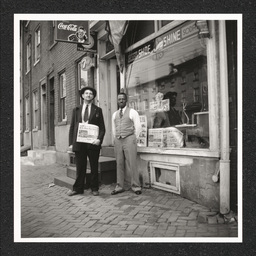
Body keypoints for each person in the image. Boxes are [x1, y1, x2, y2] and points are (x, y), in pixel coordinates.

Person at [67, 86, 105, 196]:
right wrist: (71, 143)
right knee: (80, 167)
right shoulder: (76, 109)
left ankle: (94, 188)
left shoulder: (98, 110)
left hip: (93, 143)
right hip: (79, 143)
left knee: (94, 166)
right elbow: (72, 127)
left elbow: (102, 128)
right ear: (83, 96)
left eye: (91, 94)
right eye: (86, 93)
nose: (88, 95)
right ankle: (78, 188)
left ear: (93, 97)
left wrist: (99, 139)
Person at [111, 92, 142, 195]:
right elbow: (113, 128)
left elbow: (138, 127)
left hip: (129, 139)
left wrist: (133, 138)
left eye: (123, 99)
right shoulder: (114, 114)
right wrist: (115, 138)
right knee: (119, 163)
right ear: (117, 100)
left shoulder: (132, 112)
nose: (121, 101)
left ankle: (136, 187)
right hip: (118, 140)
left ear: (126, 100)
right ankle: (119, 186)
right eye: (119, 99)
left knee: (132, 163)